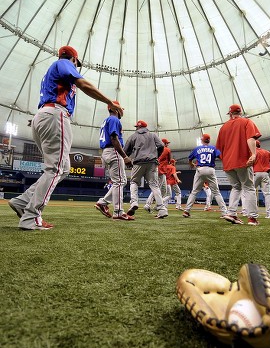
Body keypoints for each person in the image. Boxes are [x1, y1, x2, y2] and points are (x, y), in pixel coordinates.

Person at [8, 45, 123, 230]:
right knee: (55, 169)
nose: (76, 66)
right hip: (56, 113)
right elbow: (83, 84)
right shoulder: (63, 62)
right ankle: (31, 217)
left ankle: (23, 201)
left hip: (44, 115)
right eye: (77, 63)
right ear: (74, 59)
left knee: (63, 168)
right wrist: (109, 101)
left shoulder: (54, 69)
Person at [216, 104, 261, 226]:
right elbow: (251, 139)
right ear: (240, 112)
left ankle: (231, 213)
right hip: (242, 160)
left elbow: (218, 150)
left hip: (228, 163)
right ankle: (252, 218)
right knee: (249, 188)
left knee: (236, 187)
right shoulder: (246, 122)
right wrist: (253, 154)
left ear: (230, 113)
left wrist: (226, 159)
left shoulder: (223, 127)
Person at [95, 101, 134, 220]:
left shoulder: (106, 120)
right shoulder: (114, 120)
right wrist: (125, 156)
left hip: (106, 152)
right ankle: (118, 212)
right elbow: (114, 138)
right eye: (120, 109)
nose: (122, 111)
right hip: (113, 151)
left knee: (121, 181)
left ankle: (103, 202)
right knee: (119, 182)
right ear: (115, 109)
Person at [123, 120, 168, 219]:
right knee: (154, 185)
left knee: (134, 182)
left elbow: (125, 151)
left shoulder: (133, 136)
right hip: (152, 162)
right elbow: (161, 145)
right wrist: (156, 155)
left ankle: (134, 202)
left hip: (139, 162)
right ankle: (162, 209)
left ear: (138, 127)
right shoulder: (153, 135)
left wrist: (128, 158)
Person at [182, 134, 227, 218]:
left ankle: (186, 211)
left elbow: (190, 159)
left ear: (202, 140)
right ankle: (224, 212)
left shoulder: (197, 148)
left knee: (194, 192)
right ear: (209, 141)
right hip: (210, 169)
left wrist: (191, 164)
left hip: (200, 169)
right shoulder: (213, 148)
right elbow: (222, 157)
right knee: (216, 192)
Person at [254, 139, 270, 219]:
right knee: (267, 194)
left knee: (250, 193)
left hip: (255, 174)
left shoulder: (252, 152)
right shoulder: (267, 152)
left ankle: (253, 213)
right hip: (265, 174)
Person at [144, 138, 171, 212]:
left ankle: (158, 205)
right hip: (160, 171)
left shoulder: (154, 150)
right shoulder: (167, 149)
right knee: (156, 189)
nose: (167, 144)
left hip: (157, 170)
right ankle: (148, 204)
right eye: (166, 143)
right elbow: (169, 161)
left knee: (163, 190)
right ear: (163, 143)